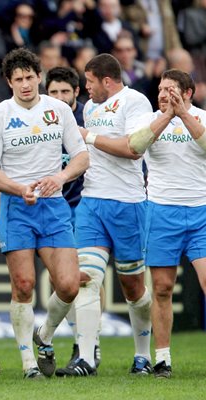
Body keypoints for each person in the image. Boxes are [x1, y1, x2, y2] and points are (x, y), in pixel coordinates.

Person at [0, 48, 89, 379]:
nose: (25, 84)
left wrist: (60, 177)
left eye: (30, 77)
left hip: (53, 206)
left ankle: (44, 335)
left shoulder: (58, 110)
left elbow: (81, 156)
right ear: (8, 82)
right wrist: (17, 188)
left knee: (68, 285)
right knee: (23, 285)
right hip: (18, 206)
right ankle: (29, 363)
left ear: (39, 77)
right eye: (18, 79)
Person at [97, 69, 206, 378]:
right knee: (161, 288)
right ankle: (162, 359)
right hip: (160, 212)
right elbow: (135, 147)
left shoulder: (201, 116)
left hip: (201, 211)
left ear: (187, 93)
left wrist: (183, 115)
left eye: (169, 89)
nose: (162, 94)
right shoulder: (150, 119)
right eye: (159, 88)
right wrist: (166, 116)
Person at [55, 53, 153, 377]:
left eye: (90, 82)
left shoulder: (135, 102)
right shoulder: (91, 108)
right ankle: (85, 357)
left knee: (133, 288)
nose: (86, 88)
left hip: (128, 204)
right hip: (92, 202)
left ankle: (142, 355)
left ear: (106, 80)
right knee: (87, 279)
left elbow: (134, 148)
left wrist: (90, 137)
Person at [46, 66, 103, 370]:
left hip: (85, 205)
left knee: (87, 277)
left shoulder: (87, 120)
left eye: (64, 92)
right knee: (62, 281)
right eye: (53, 92)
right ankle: (82, 341)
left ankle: (89, 345)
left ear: (76, 93)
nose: (58, 97)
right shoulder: (40, 121)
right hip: (53, 207)